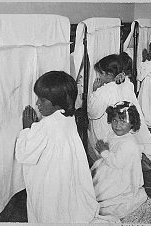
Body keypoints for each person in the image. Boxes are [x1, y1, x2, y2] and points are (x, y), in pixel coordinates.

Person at [15, 71, 119, 223]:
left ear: (58, 102)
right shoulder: (68, 117)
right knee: (66, 205)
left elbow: (24, 154)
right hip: (67, 175)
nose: (37, 104)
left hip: (51, 179)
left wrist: (26, 129)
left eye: (42, 100)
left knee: (50, 209)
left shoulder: (45, 125)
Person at [87, 53, 151, 169]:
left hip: (105, 127)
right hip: (121, 128)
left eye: (101, 74)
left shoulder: (103, 92)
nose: (99, 76)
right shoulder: (125, 83)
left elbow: (93, 112)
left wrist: (94, 91)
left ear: (109, 75)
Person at [91, 101, 148, 218]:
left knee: (100, 191)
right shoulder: (112, 134)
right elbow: (106, 149)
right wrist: (102, 148)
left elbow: (118, 163)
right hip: (109, 165)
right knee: (92, 181)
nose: (117, 126)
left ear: (132, 124)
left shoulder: (128, 143)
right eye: (114, 121)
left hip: (121, 175)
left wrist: (104, 152)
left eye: (123, 122)